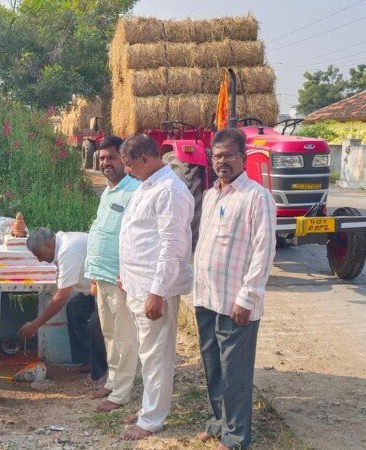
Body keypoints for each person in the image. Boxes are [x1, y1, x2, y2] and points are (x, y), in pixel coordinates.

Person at [193, 128, 276, 450]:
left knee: (235, 374)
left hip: (235, 303)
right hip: (207, 298)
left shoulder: (257, 197)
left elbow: (264, 251)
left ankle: (237, 437)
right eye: (217, 156)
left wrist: (248, 296)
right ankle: (220, 422)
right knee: (213, 367)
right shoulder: (212, 194)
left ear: (243, 157)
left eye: (229, 154)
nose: (222, 161)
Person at [118, 133, 194, 440]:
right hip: (138, 284)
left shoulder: (170, 190)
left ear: (145, 160)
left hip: (154, 288)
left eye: (129, 165)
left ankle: (152, 419)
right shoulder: (147, 185)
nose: (127, 171)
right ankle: (150, 406)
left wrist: (156, 292)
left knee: (156, 356)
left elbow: (171, 246)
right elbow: (140, 238)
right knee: (147, 353)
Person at [84, 136, 140, 412]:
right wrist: (94, 274)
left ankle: (121, 393)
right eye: (103, 158)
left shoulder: (134, 191)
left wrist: (128, 274)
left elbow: (137, 239)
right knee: (108, 332)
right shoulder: (108, 191)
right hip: (102, 275)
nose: (106, 163)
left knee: (125, 335)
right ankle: (113, 381)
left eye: (112, 157)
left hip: (121, 278)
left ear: (125, 159)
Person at [18, 228, 107, 385]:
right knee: (74, 309)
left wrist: (35, 325)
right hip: (90, 289)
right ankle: (87, 360)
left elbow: (61, 297)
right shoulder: (61, 243)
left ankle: (100, 371)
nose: (39, 260)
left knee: (95, 323)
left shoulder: (68, 250)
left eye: (39, 254)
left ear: (48, 244)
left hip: (105, 287)